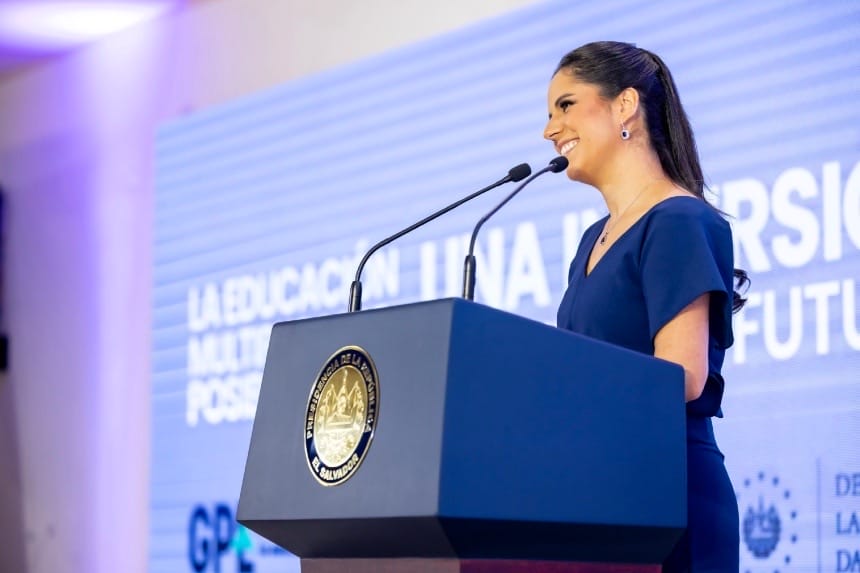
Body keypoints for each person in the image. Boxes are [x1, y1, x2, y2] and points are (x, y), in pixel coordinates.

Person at [543, 41, 749, 571]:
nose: (549, 130)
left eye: (565, 106)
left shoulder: (677, 219)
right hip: (602, 494)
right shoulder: (591, 241)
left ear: (625, 105)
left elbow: (682, 376)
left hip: (668, 497)